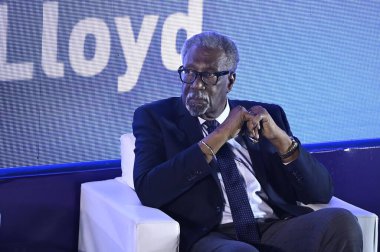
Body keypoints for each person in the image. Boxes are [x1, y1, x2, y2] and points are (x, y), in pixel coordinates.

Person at [132, 31, 362, 252]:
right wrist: (221, 134)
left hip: (272, 227)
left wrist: (282, 141)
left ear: (230, 81)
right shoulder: (156, 118)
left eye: (209, 75)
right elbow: (149, 190)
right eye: (190, 72)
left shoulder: (267, 115)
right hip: (211, 236)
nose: (196, 84)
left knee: (340, 222)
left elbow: (320, 193)